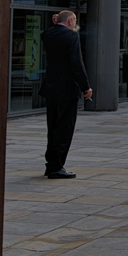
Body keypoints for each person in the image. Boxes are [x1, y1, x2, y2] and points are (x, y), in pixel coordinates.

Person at [40, 10, 92, 179]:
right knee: (64, 128)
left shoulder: (47, 34)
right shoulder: (71, 36)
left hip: (51, 87)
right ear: (70, 21)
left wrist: (55, 24)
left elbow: (50, 32)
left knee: (53, 126)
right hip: (68, 88)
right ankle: (56, 166)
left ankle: (51, 164)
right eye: (74, 20)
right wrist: (86, 87)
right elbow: (76, 63)